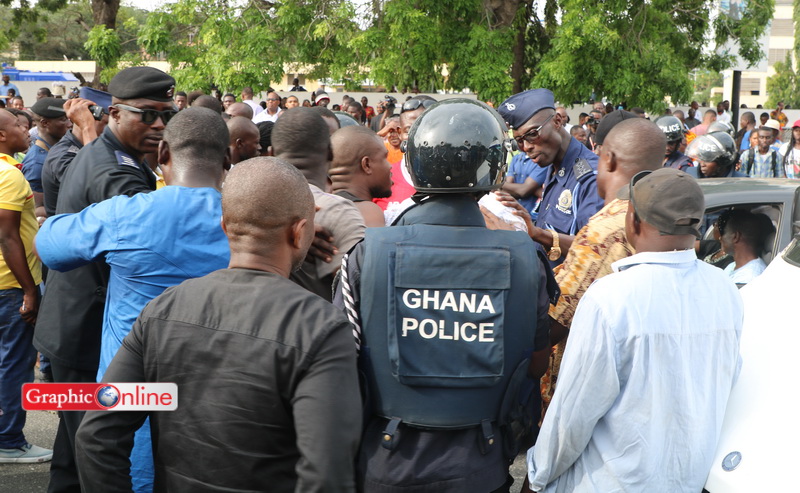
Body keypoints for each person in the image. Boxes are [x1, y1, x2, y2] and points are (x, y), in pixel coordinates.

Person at [74, 158, 361, 492]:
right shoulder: (320, 327)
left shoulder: (162, 310)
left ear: (225, 227)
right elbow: (326, 475)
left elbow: (96, 436)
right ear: (299, 233)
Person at [334, 98, 554, 492]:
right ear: (494, 168)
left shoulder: (367, 253)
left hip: (385, 463)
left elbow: (341, 370)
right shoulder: (526, 258)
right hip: (481, 466)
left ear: (414, 163)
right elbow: (536, 367)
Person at [36, 107, 231, 491]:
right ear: (227, 160)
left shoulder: (127, 215)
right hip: (219, 403)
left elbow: (50, 246)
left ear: (162, 156)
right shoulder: (252, 221)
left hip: (134, 400)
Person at [523, 168, 743, 492]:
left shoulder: (611, 297)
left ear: (634, 221)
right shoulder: (725, 290)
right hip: (688, 480)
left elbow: (572, 416)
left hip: (611, 482)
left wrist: (537, 477)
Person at [33, 66, 176, 493]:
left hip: (75, 328)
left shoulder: (120, 158)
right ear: (114, 113)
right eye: (147, 115)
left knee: (73, 448)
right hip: (83, 334)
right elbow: (146, 221)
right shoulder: (112, 169)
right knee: (96, 451)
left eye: (165, 115)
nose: (158, 126)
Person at [526, 117, 666, 419]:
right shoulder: (659, 220)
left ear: (608, 158)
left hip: (583, 393)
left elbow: (554, 321)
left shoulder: (606, 228)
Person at [498, 88, 604, 266]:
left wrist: (538, 233)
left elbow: (594, 251)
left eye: (532, 134)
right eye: (519, 141)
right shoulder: (553, 165)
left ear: (557, 121)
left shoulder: (589, 177)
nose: (526, 147)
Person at [0, 109, 52, 464]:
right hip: (11, 287)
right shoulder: (10, 176)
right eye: (20, 125)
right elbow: (7, 236)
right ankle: (10, 441)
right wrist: (30, 291)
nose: (28, 129)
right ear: (3, 136)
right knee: (15, 364)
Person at [271, 107, 365, 301]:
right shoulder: (337, 211)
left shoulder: (247, 208)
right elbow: (363, 290)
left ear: (271, 153)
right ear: (331, 153)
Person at [41, 88, 111, 218]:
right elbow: (97, 183)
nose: (110, 129)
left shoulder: (104, 147)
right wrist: (88, 129)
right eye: (106, 123)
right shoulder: (62, 155)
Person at [329, 126, 392, 227]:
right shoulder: (368, 212)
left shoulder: (318, 206)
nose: (390, 166)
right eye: (385, 157)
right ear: (366, 165)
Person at [21, 98, 72, 216]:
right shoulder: (36, 163)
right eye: (63, 120)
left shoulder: (54, 151)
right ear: (45, 123)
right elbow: (35, 209)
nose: (69, 124)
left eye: (69, 119)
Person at [720, 209, 773, 287]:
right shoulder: (733, 265)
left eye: (723, 233)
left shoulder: (749, 278)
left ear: (736, 237)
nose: (720, 238)